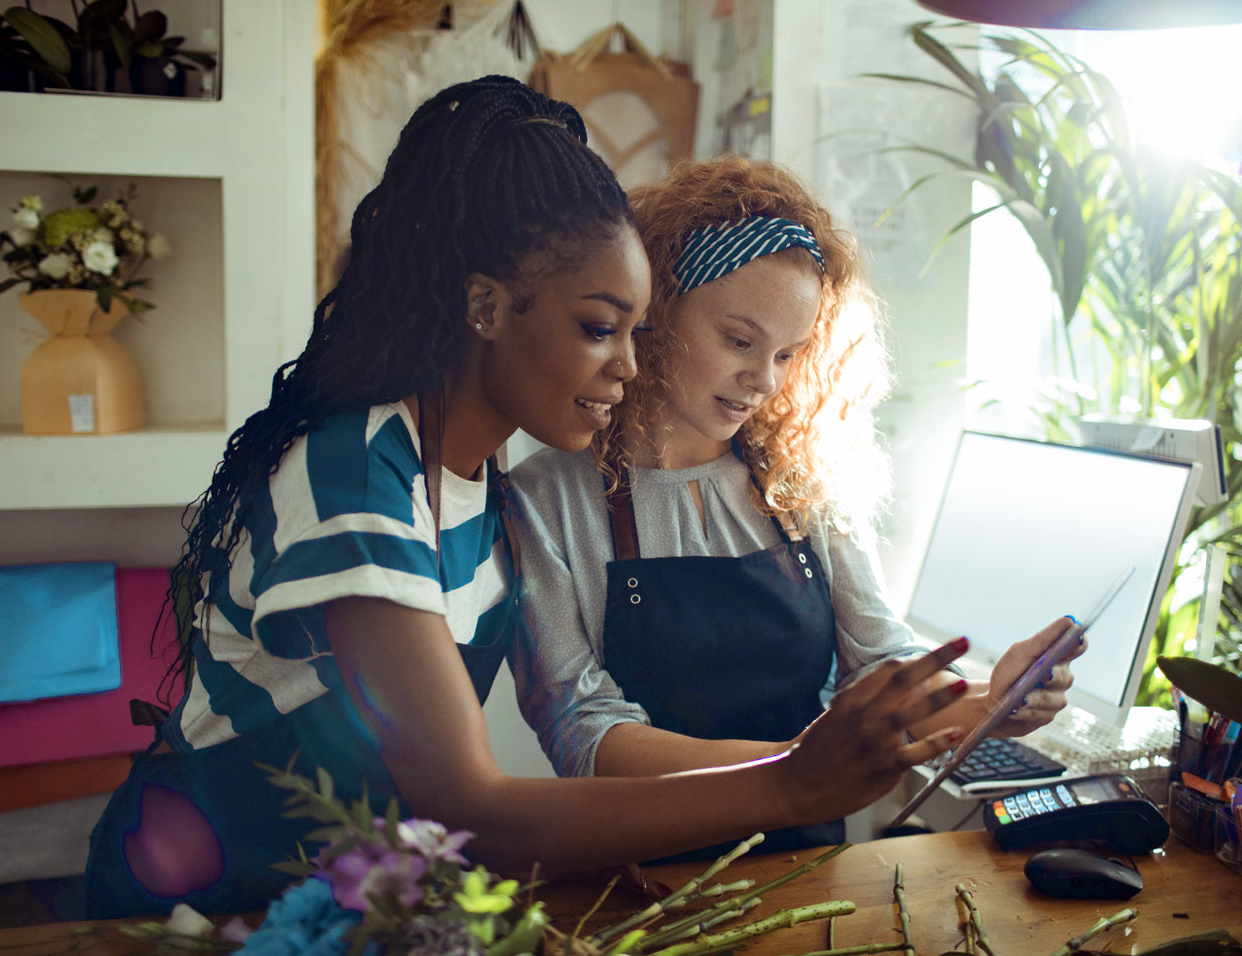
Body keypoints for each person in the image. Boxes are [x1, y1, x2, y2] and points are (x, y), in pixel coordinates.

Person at [85, 82, 973, 919]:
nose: (629, 365)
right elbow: (476, 810)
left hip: (348, 904)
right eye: (599, 327)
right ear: (485, 307)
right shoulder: (355, 480)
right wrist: (792, 782)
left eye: (634, 331)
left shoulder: (474, 486)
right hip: (199, 905)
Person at [509, 157, 1085, 859]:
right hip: (635, 880)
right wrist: (792, 770)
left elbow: (880, 669)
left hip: (810, 871)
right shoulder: (545, 495)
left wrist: (994, 701)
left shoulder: (802, 482)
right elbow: (583, 731)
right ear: (656, 310)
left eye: (789, 353)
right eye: (740, 340)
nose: (764, 380)